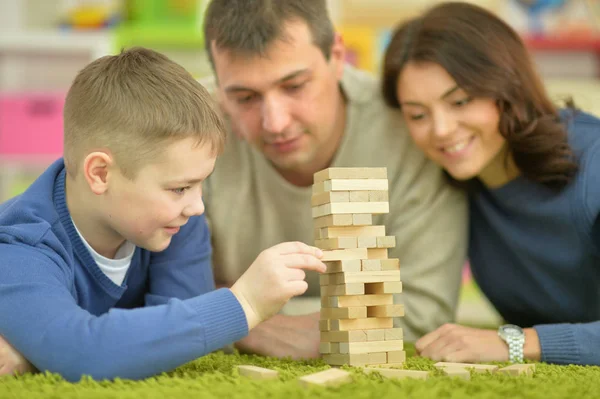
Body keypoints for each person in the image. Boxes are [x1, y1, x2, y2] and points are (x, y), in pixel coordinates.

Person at [0, 47, 327, 381]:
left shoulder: (175, 222)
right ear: (100, 174)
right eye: (179, 188)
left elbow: (178, 342)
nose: (197, 206)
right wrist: (245, 304)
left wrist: (37, 353)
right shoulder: (19, 246)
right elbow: (83, 351)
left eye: (200, 185)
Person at [200, 0, 468, 359]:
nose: (275, 122)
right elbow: (158, 297)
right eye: (245, 97)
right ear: (219, 87)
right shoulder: (185, 128)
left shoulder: (412, 123)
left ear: (338, 56)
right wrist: (251, 326)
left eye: (294, 86)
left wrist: (232, 311)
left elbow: (424, 311)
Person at [382, 1, 600, 365]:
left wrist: (512, 343)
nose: (441, 130)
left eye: (461, 101)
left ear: (508, 86)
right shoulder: (454, 183)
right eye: (418, 114)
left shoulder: (593, 166)